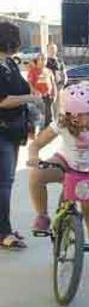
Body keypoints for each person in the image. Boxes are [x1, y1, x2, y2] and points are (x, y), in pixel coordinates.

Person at [28, 82, 89, 279]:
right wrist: (33, 156)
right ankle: (42, 216)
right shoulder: (61, 125)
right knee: (36, 175)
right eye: (86, 113)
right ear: (72, 115)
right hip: (65, 163)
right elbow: (37, 144)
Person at [0, 22, 44, 250]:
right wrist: (30, 99)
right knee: (3, 184)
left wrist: (32, 94)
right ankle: (3, 233)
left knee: (6, 182)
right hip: (2, 130)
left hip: (13, 129)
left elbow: (22, 88)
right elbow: (3, 100)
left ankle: (4, 227)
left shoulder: (9, 64)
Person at [26, 53, 56, 132]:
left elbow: (53, 83)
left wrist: (54, 93)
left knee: (49, 115)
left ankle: (47, 132)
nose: (43, 61)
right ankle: (39, 132)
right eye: (41, 59)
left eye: (45, 59)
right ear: (38, 60)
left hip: (48, 96)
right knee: (39, 116)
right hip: (38, 98)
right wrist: (35, 91)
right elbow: (29, 84)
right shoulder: (33, 71)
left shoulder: (49, 71)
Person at [45, 42, 66, 118]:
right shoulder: (45, 61)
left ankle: (57, 122)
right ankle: (51, 123)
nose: (53, 50)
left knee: (59, 105)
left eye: (54, 49)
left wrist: (64, 81)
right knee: (50, 106)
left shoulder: (59, 61)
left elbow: (63, 72)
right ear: (47, 50)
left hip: (59, 85)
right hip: (49, 87)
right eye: (51, 49)